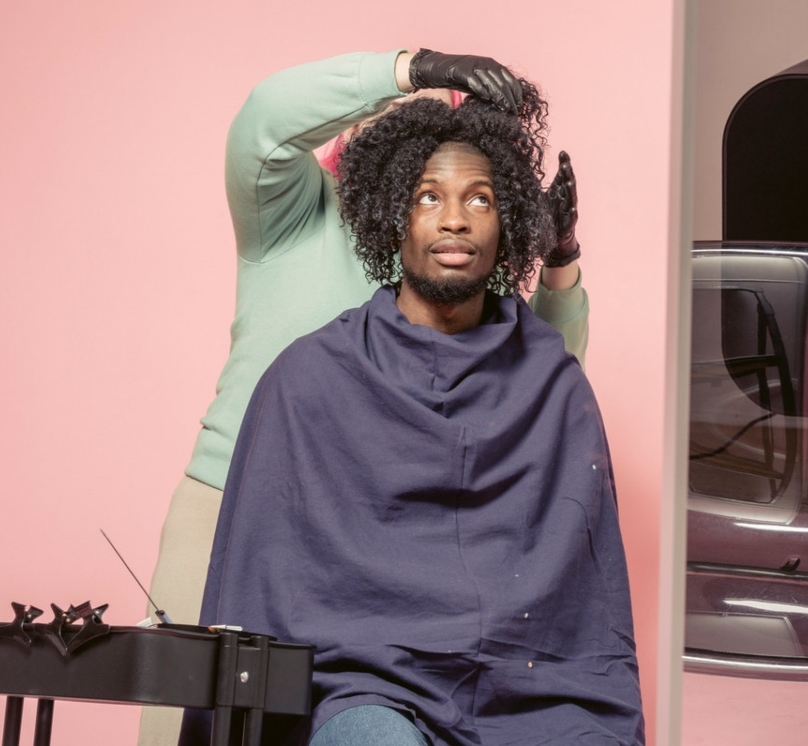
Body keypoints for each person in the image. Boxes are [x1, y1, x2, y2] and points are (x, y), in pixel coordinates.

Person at [140, 48, 589, 745]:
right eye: (394, 109)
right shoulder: (290, 214)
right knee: (189, 727)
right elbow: (264, 120)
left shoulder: (443, 256)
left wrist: (558, 260)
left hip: (375, 537)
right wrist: (412, 67)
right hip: (234, 503)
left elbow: (540, 384)